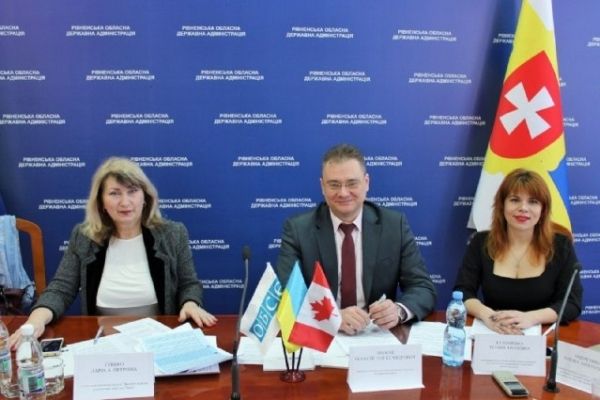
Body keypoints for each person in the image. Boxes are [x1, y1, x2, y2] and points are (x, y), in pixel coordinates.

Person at [9, 157, 216, 347]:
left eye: (132, 191)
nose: (125, 202)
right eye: (114, 193)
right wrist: (35, 320)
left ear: (145, 197)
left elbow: (189, 284)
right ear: (101, 202)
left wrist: (190, 303)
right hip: (103, 341)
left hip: (158, 341)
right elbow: (60, 289)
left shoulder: (173, 234)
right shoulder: (84, 237)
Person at [276, 144, 436, 335]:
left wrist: (398, 311)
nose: (343, 193)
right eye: (334, 184)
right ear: (322, 187)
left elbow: (423, 287)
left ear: (366, 183)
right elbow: (286, 294)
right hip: (323, 334)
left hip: (375, 335)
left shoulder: (394, 225)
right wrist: (331, 316)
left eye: (352, 183)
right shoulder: (298, 229)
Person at [454, 168, 583, 334]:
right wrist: (489, 316)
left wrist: (531, 318)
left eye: (533, 202)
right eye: (515, 200)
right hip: (493, 331)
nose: (523, 208)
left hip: (542, 335)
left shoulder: (561, 246)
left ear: (543, 209)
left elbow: (572, 303)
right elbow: (463, 292)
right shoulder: (481, 242)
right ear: (502, 205)